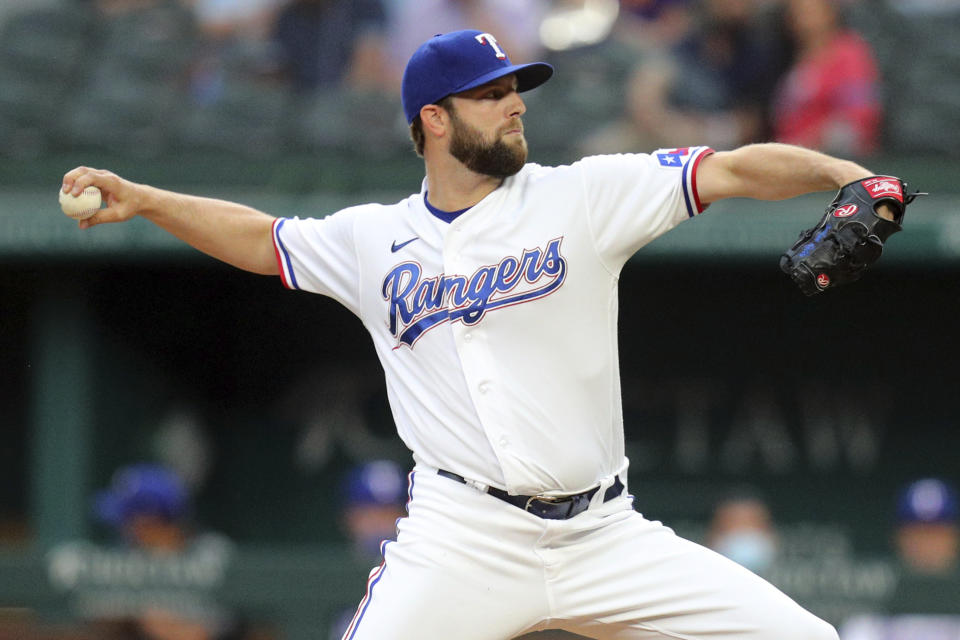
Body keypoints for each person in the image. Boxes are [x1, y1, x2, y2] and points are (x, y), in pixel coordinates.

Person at [62, 28, 902, 640]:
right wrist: (146, 200)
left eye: (514, 90)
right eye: (491, 94)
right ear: (432, 119)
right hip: (463, 538)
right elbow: (262, 238)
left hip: (604, 532)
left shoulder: (579, 196)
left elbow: (729, 167)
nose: (513, 107)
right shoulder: (370, 238)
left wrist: (845, 175)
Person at [771, 0, 883, 157]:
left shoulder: (850, 54)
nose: (802, 18)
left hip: (838, 162)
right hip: (792, 161)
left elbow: (861, 116)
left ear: (830, 13)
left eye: (810, 11)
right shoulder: (786, 57)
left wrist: (810, 143)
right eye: (796, 12)